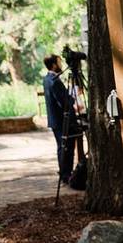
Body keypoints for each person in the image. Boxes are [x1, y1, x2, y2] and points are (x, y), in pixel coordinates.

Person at [42, 54, 77, 183]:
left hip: (55, 120)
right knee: (66, 148)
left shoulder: (47, 79)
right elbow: (64, 101)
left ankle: (65, 173)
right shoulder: (54, 81)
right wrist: (73, 98)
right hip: (62, 121)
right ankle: (66, 174)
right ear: (54, 65)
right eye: (59, 62)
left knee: (62, 148)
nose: (61, 65)